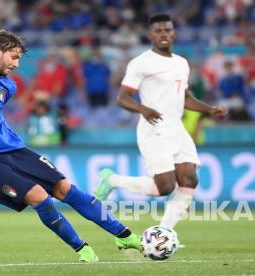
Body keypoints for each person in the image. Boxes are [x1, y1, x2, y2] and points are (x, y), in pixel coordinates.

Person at [0, 30, 140, 263]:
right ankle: (82, 249)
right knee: (39, 197)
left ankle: (123, 234)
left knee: (65, 188)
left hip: (13, 150)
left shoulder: (7, 86)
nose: (17, 64)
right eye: (13, 57)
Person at [95, 14, 227, 236]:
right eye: (158, 31)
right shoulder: (141, 63)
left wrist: (209, 109)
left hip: (176, 128)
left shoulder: (181, 63)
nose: (163, 34)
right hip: (154, 129)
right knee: (164, 187)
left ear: (174, 33)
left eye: (167, 30)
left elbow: (185, 97)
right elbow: (123, 98)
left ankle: (163, 234)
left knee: (189, 179)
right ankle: (112, 180)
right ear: (150, 35)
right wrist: (143, 109)